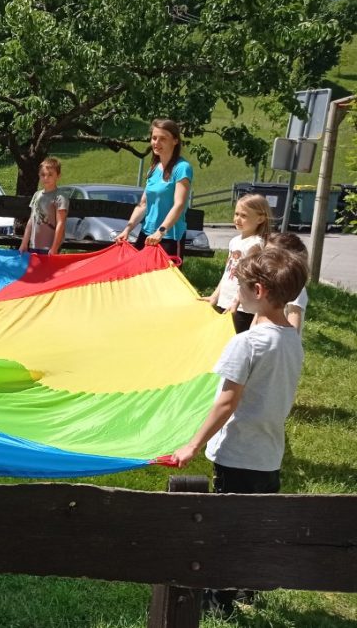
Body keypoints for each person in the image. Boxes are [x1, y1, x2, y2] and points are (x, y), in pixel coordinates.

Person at [171, 247, 307, 618]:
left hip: (236, 453)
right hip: (268, 455)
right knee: (254, 524)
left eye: (240, 287)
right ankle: (248, 588)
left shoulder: (246, 343)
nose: (236, 293)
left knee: (226, 529)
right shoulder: (292, 338)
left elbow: (225, 404)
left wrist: (192, 445)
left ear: (258, 291)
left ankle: (220, 604)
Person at [115, 119, 192, 258]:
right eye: (154, 138)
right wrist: (127, 229)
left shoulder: (182, 168)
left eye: (163, 139)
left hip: (169, 237)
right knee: (137, 276)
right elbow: (143, 204)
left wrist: (160, 231)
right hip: (147, 234)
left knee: (165, 280)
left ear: (175, 140)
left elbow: (179, 204)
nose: (156, 143)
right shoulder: (154, 168)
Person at [200, 194, 273, 333]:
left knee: (234, 345)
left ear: (260, 219)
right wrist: (215, 296)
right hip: (225, 301)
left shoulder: (256, 244)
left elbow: (249, 278)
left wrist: (236, 301)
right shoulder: (235, 241)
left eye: (244, 216)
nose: (237, 219)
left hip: (242, 308)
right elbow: (228, 272)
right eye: (236, 214)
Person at [19, 157, 69, 255]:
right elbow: (31, 220)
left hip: (50, 247)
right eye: (43, 175)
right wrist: (24, 242)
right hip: (34, 245)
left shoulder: (60, 197)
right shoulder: (36, 195)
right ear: (39, 175)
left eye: (50, 175)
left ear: (58, 176)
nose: (46, 178)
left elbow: (61, 223)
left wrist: (54, 247)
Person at [265, 232, 310, 331]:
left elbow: (294, 325)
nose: (263, 258)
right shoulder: (268, 281)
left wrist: (288, 343)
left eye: (270, 255)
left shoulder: (294, 286)